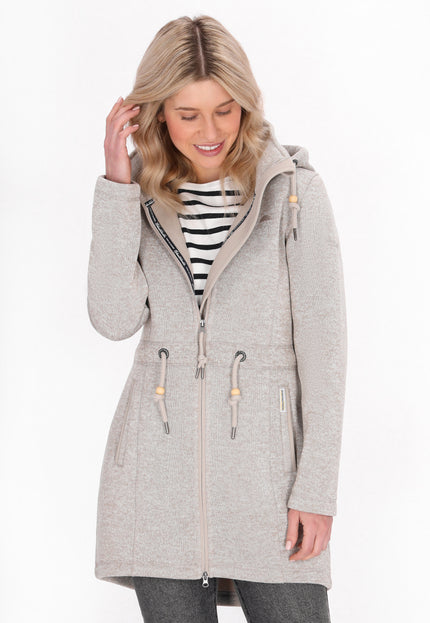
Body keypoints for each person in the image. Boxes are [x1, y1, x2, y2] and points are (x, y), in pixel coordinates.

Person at [87, 14, 347, 623]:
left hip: (269, 483)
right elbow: (112, 317)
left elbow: (325, 352)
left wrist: (316, 489)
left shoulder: (294, 194)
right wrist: (117, 183)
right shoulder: (139, 198)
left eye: (225, 110)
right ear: (156, 114)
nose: (210, 132)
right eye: (188, 115)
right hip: (158, 484)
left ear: (246, 105)